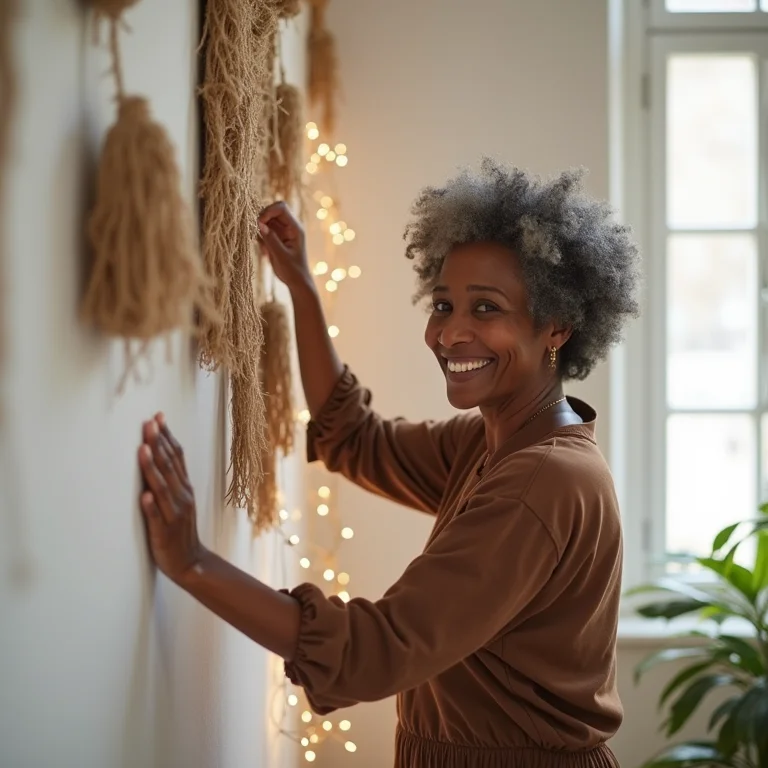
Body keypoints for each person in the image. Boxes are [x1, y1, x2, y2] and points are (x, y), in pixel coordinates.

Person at [137, 159, 640, 768]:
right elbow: (356, 439)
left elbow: (372, 654)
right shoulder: (495, 444)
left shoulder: (543, 480)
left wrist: (191, 562)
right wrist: (301, 286)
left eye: (486, 309)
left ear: (556, 326)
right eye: (443, 305)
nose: (450, 334)